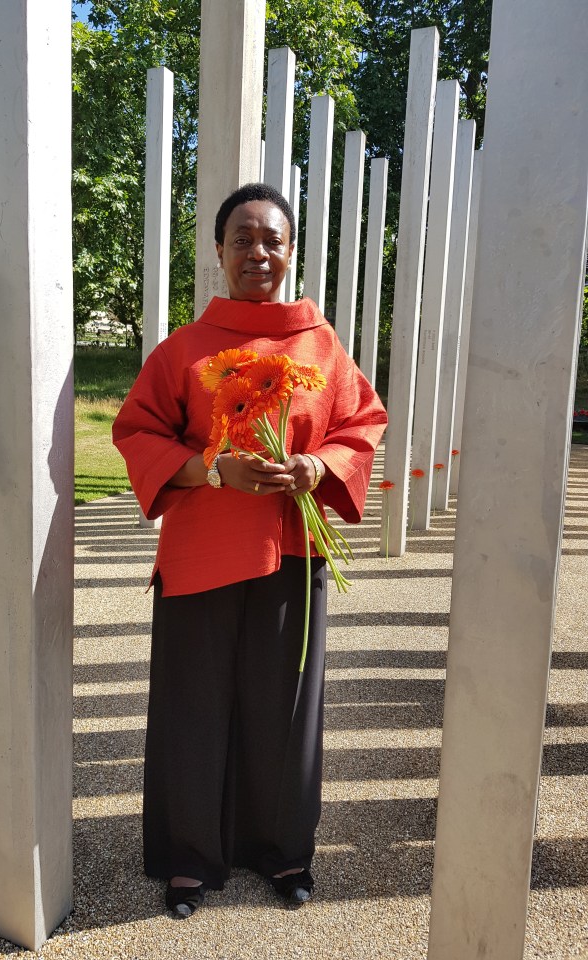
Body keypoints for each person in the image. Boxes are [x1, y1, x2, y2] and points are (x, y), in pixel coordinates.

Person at [112, 183, 387, 918]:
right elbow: (137, 431)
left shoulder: (320, 346)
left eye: (272, 240)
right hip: (203, 550)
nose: (257, 253)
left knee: (286, 706)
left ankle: (282, 850)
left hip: (293, 549)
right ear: (219, 252)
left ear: (291, 251)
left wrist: (317, 467)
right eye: (242, 239)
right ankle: (188, 859)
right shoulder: (185, 350)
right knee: (193, 706)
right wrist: (210, 467)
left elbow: (361, 422)